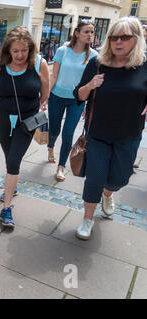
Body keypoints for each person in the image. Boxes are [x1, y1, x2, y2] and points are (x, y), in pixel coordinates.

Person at [73, 16, 147, 240]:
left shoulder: (144, 65)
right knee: (94, 177)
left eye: (125, 37)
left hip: (129, 134)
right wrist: (90, 85)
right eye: (114, 37)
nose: (118, 42)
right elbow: (78, 94)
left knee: (119, 178)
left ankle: (108, 193)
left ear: (136, 39)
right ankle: (87, 219)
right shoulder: (98, 63)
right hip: (98, 133)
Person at [0, 26, 50, 228]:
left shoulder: (39, 64)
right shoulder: (0, 64)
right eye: (15, 51)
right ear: (8, 50)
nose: (20, 55)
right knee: (9, 157)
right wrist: (6, 109)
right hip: (3, 116)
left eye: (24, 50)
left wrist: (31, 107)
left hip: (28, 119)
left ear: (30, 49)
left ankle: (6, 208)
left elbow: (45, 93)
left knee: (14, 159)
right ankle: (11, 186)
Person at [48, 21, 98, 182]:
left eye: (92, 32)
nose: (90, 35)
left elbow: (92, 83)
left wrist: (88, 104)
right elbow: (53, 76)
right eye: (86, 32)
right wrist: (44, 96)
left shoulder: (94, 56)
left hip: (77, 101)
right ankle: (50, 146)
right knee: (54, 130)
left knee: (68, 133)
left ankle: (61, 166)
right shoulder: (62, 51)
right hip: (56, 97)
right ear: (77, 33)